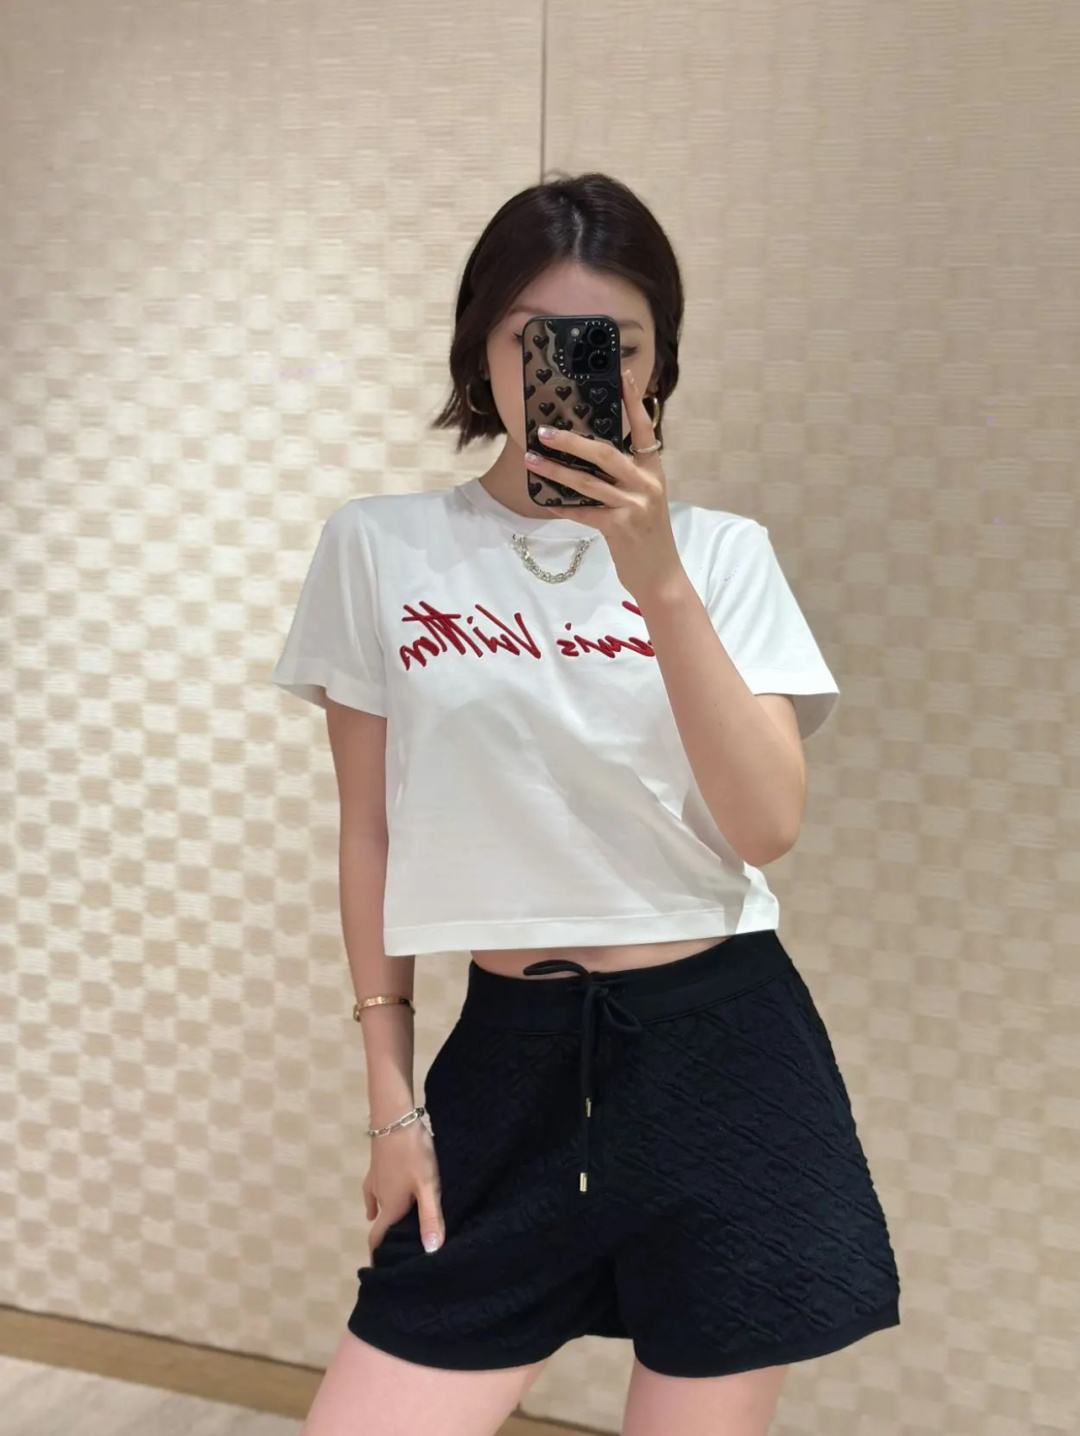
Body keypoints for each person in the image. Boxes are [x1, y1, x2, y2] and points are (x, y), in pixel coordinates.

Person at [272, 172, 901, 1436]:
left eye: (615, 345)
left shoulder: (722, 555)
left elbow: (766, 825)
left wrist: (655, 574)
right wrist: (392, 1099)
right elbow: (370, 832)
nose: (569, 370)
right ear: (481, 350)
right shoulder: (380, 547)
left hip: (724, 1053)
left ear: (658, 367)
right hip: (509, 1058)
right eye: (536, 338)